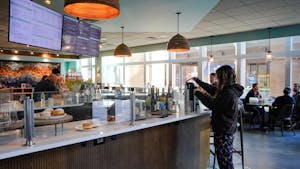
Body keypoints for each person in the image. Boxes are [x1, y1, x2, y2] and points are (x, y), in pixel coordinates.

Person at [193, 65, 244, 169]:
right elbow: (213, 89)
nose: (216, 79)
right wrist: (198, 81)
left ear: (223, 78)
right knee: (225, 159)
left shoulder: (228, 93)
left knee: (225, 161)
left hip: (224, 130)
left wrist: (198, 93)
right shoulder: (229, 90)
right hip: (227, 129)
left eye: (218, 77)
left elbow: (213, 104)